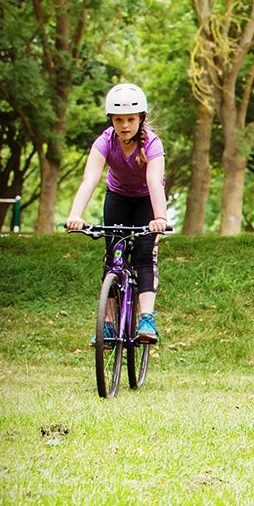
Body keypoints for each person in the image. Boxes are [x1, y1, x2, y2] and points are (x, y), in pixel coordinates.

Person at [65, 83, 168, 346]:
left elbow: (155, 183)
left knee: (145, 255)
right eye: (118, 120)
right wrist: (75, 215)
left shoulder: (153, 145)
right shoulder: (104, 142)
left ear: (141, 119)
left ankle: (146, 320)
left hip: (147, 201)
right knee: (113, 258)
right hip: (118, 198)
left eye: (131, 119)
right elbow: (89, 180)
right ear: (111, 120)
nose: (125, 126)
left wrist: (160, 219)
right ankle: (108, 325)